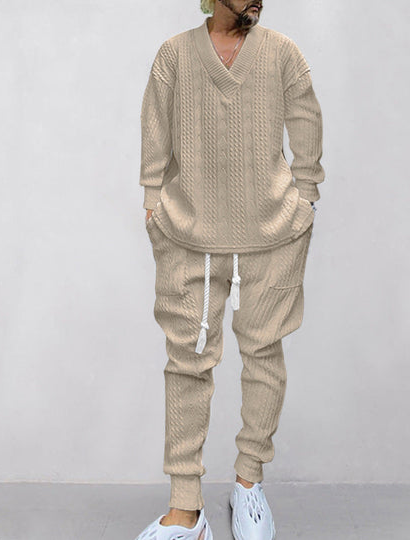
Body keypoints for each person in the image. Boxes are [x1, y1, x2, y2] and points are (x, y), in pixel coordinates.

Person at [135, 0, 325, 538]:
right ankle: (185, 506)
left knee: (264, 354)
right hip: (188, 232)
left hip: (272, 232)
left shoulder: (282, 54)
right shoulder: (174, 56)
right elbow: (155, 128)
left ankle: (248, 483)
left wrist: (306, 198)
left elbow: (307, 122)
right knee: (186, 364)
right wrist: (153, 202)